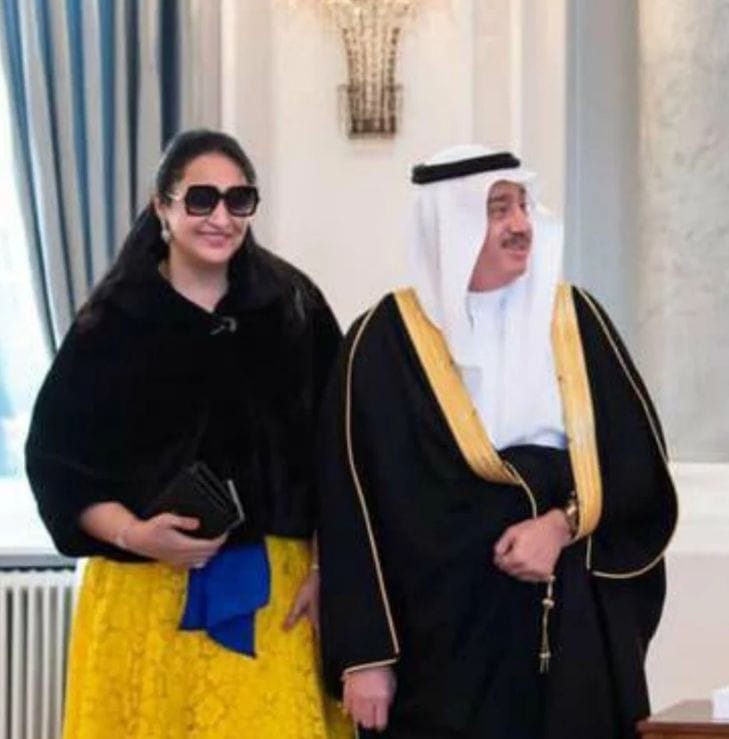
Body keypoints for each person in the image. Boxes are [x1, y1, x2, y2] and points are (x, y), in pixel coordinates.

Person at [316, 145, 678, 739]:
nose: (520, 225)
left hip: (568, 623)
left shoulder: (574, 319)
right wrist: (366, 654)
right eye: (497, 209)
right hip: (438, 642)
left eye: (523, 206)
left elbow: (638, 467)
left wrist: (559, 525)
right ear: (450, 224)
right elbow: (350, 504)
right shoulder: (382, 341)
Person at [26, 129, 351, 739]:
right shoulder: (112, 322)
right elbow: (56, 465)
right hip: (144, 590)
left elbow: (340, 452)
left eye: (238, 199)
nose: (221, 218)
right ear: (163, 206)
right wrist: (134, 534)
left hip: (276, 594)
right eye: (201, 199)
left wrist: (326, 572)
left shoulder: (293, 307)